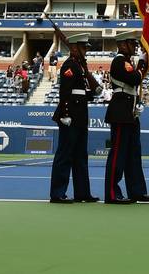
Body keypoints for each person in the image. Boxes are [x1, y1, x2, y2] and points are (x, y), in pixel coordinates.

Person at [103, 30, 149, 204]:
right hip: (121, 112)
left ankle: (137, 191)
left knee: (133, 154)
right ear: (122, 45)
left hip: (129, 112)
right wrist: (142, 64)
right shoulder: (119, 61)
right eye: (132, 43)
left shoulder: (127, 61)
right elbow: (134, 79)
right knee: (118, 154)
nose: (135, 46)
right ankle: (112, 193)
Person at [50, 33, 99, 204]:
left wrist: (93, 91)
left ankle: (82, 192)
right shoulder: (70, 65)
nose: (86, 50)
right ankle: (57, 193)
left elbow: (83, 90)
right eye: (83, 47)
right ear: (74, 48)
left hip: (80, 115)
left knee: (80, 156)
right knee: (65, 155)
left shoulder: (80, 66)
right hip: (70, 115)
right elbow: (65, 92)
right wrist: (65, 113)